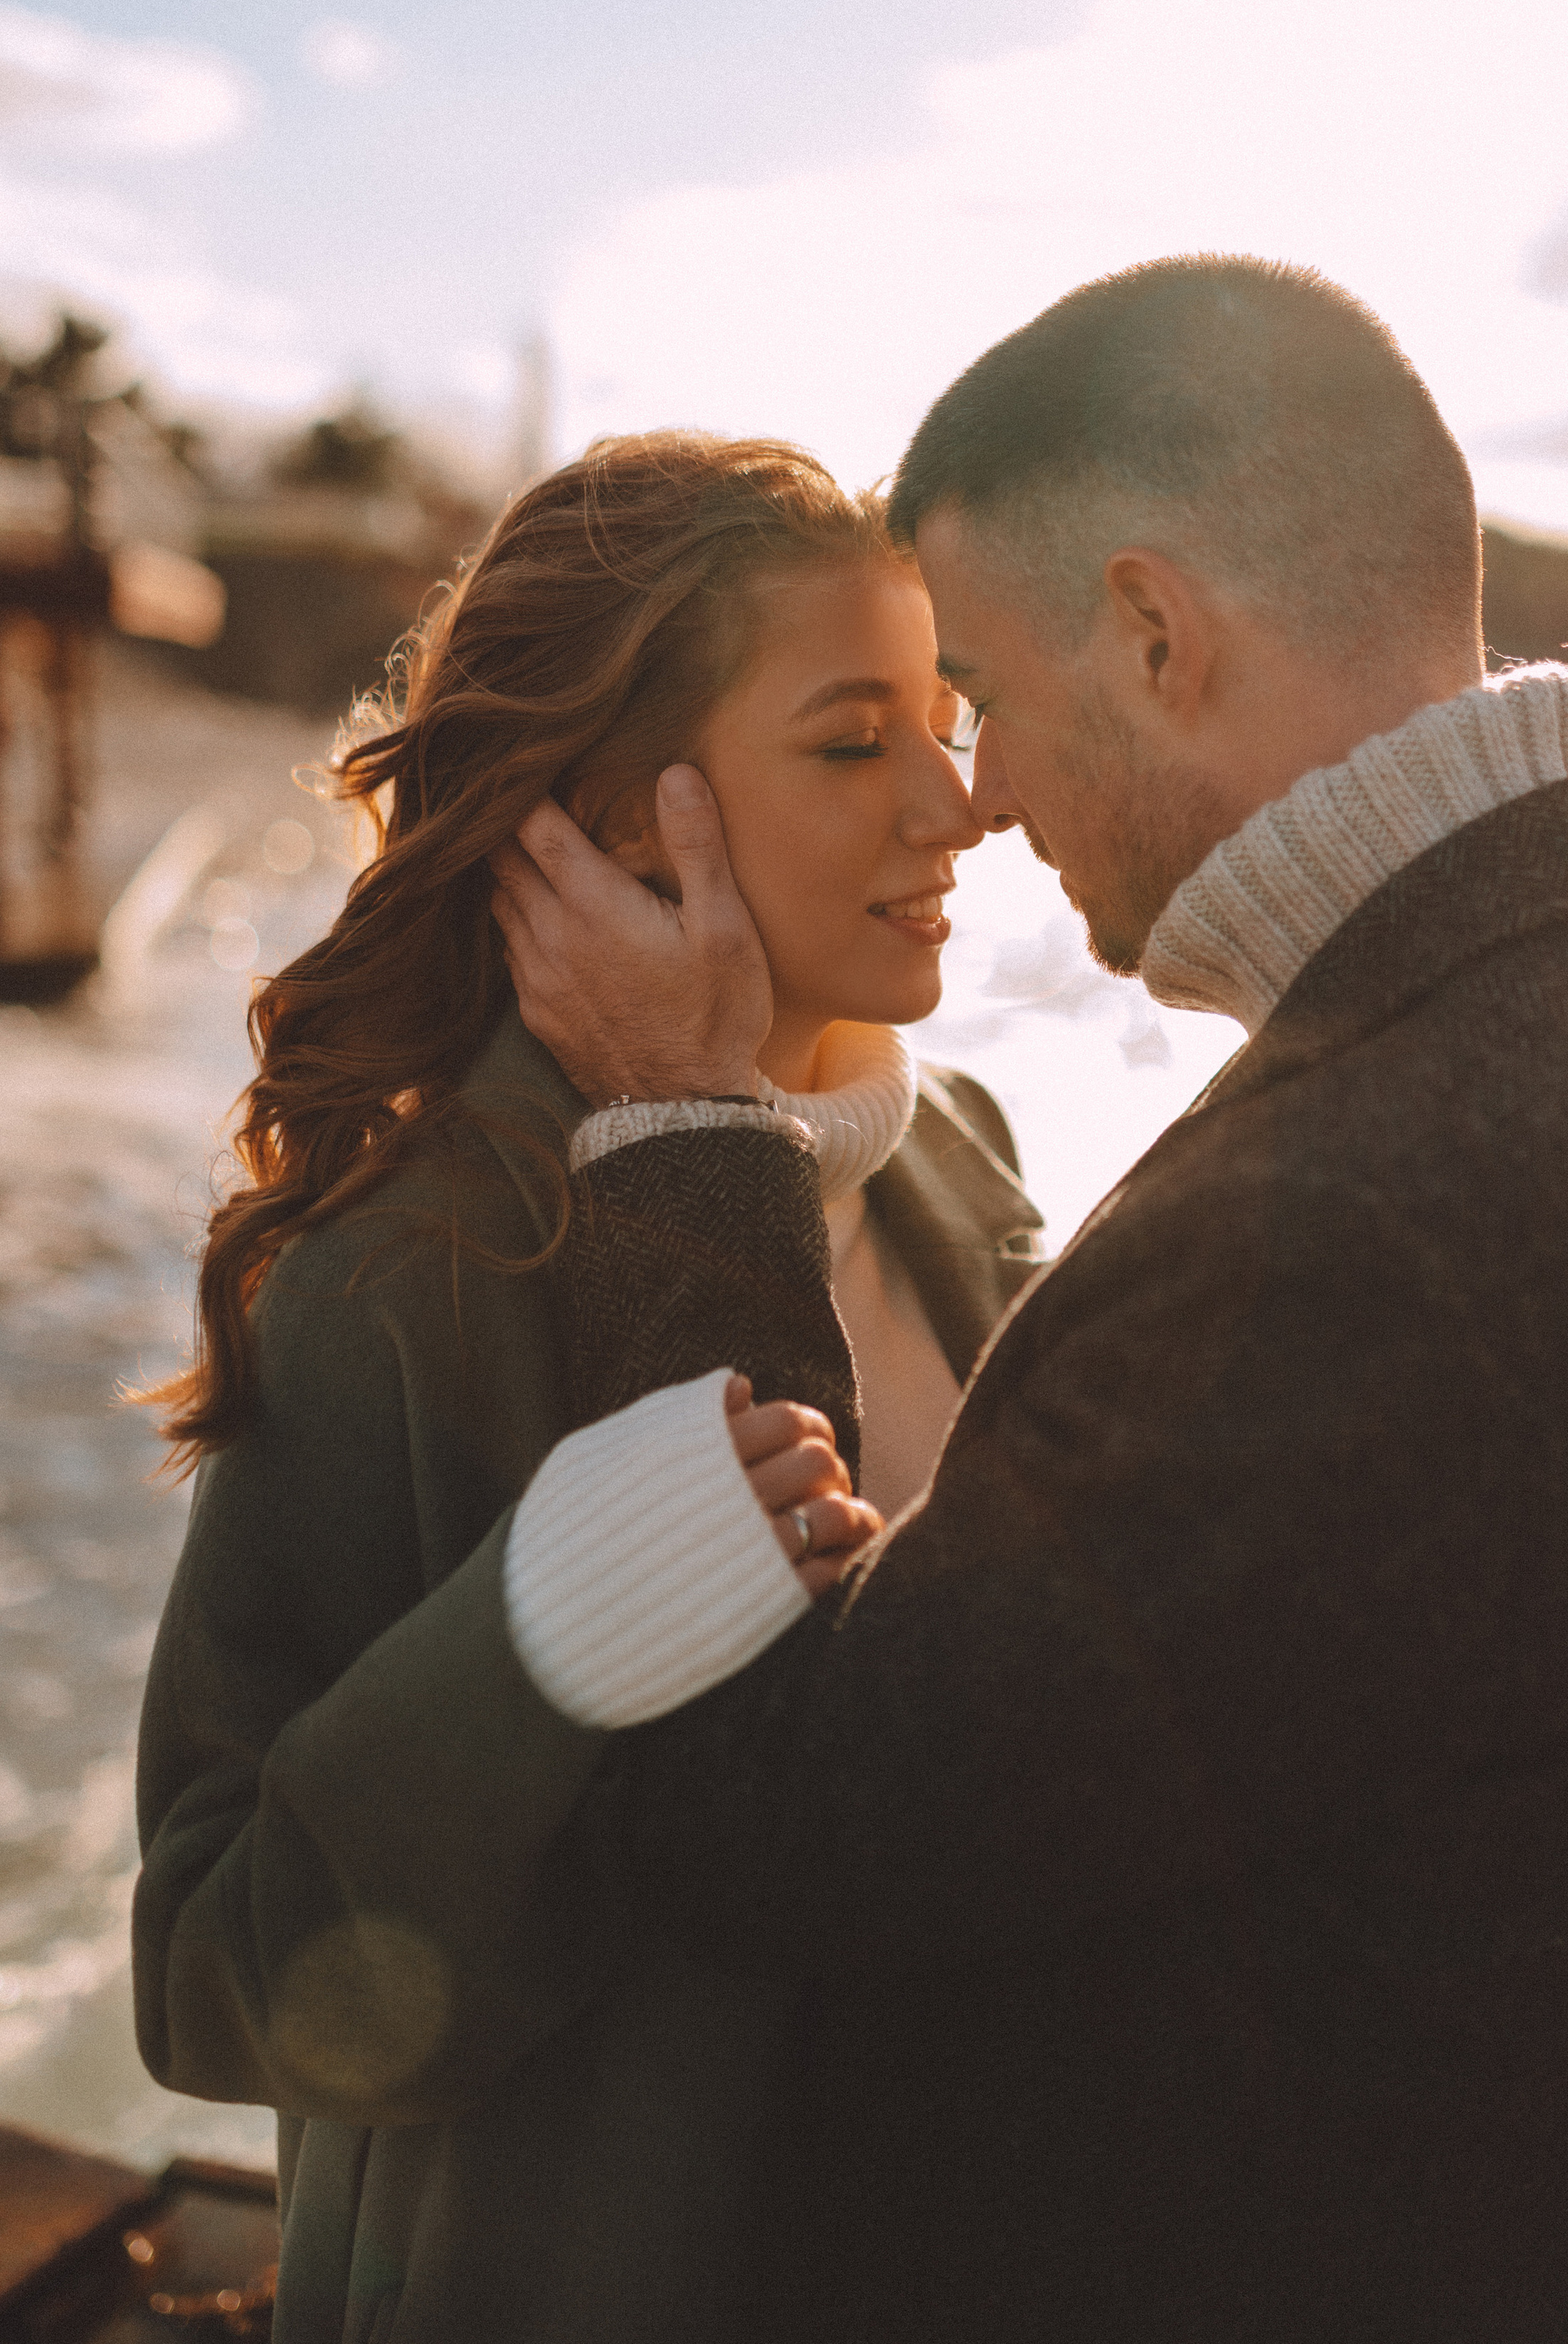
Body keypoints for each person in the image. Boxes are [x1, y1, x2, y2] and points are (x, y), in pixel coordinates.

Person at [472, 257, 1568, 2343]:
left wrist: (688, 1150)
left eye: (988, 695)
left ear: (1161, 633)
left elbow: (777, 1832)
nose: (978, 794)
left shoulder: (1381, 1208)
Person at [132, 431, 1042, 2344]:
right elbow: (216, 1975)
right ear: (622, 814)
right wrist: (537, 1641)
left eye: (948, 716)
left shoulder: (957, 1147)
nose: (959, 806)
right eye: (854, 738)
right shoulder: (413, 1263)